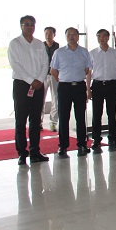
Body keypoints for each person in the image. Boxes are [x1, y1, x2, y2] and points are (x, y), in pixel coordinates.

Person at [7, 15, 50, 166]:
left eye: (32, 24)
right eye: (27, 24)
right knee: (21, 120)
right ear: (21, 26)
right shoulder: (15, 43)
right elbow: (15, 65)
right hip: (22, 85)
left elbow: (45, 63)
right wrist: (31, 80)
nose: (30, 27)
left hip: (38, 85)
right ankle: (22, 153)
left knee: (35, 120)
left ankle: (35, 151)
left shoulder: (39, 44)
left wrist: (39, 79)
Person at [51, 27, 92, 157]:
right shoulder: (59, 52)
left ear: (78, 37)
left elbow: (87, 69)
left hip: (79, 86)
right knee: (63, 117)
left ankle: (82, 143)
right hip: (64, 87)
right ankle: (63, 146)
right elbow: (53, 70)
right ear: (66, 37)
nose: (72, 37)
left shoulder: (84, 52)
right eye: (69, 35)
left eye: (74, 34)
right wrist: (62, 80)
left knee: (80, 116)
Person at [89, 29, 116, 152]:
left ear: (108, 38)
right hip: (97, 85)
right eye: (99, 36)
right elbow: (89, 72)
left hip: (111, 85)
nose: (101, 38)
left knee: (111, 113)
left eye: (104, 36)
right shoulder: (92, 53)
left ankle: (113, 137)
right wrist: (88, 89)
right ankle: (96, 139)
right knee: (96, 113)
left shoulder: (115, 53)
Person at [41, 26, 59, 132]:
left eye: (50, 34)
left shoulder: (58, 48)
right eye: (46, 34)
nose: (48, 36)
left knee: (55, 99)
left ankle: (53, 123)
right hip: (42, 76)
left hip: (54, 75)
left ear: (54, 35)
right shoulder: (41, 46)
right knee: (40, 99)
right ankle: (39, 121)